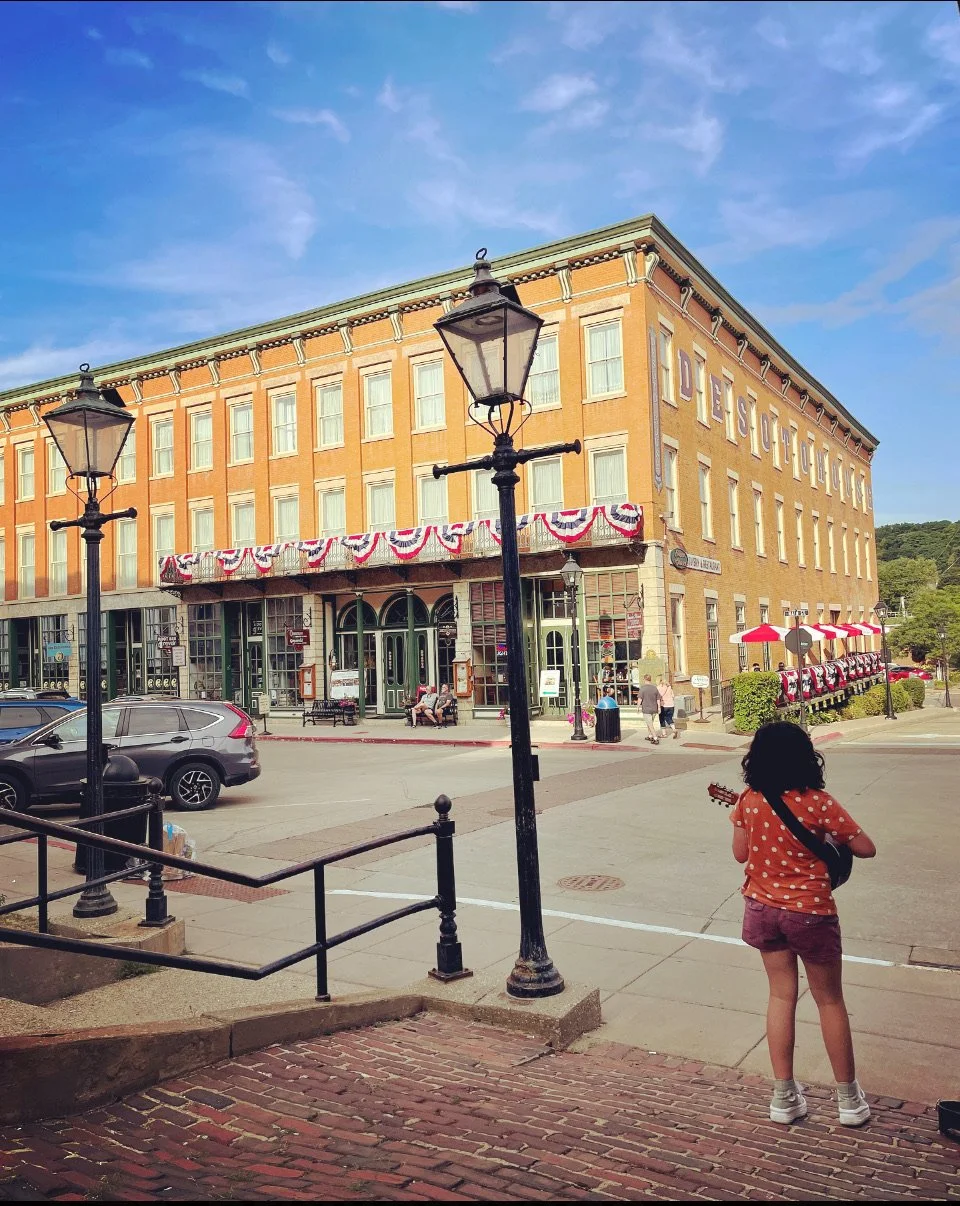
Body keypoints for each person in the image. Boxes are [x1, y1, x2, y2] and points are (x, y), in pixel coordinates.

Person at [731, 722, 877, 1127]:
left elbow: (740, 855)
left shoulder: (749, 799)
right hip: (810, 911)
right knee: (829, 1000)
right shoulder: (819, 802)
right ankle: (848, 1101)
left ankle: (784, 1098)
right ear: (806, 757)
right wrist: (832, 839)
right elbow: (866, 848)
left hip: (762, 908)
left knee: (781, 996)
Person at [638, 674, 661, 745]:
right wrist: (659, 707)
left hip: (646, 709)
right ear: (650, 679)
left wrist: (638, 706)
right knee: (650, 722)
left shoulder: (643, 688)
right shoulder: (655, 688)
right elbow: (658, 699)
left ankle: (655, 738)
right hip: (654, 709)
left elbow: (640, 699)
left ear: (644, 679)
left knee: (650, 724)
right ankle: (650, 736)